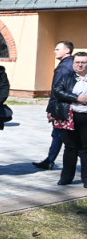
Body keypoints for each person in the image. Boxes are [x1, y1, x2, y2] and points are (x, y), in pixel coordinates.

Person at [35, 41, 75, 170]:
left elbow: (56, 90)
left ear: (67, 50)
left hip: (63, 106)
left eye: (58, 49)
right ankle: (49, 160)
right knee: (59, 134)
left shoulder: (64, 67)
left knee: (61, 134)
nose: (54, 51)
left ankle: (50, 161)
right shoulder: (72, 63)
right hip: (70, 104)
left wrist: (51, 109)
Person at [54, 52, 87, 187]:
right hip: (70, 116)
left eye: (83, 62)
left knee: (86, 150)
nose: (80, 65)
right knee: (70, 149)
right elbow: (58, 91)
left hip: (86, 117)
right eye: (77, 62)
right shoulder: (66, 77)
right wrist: (76, 98)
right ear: (73, 64)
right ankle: (66, 178)